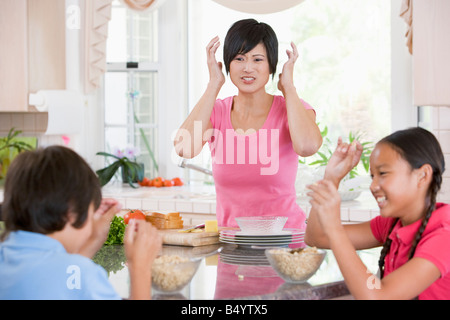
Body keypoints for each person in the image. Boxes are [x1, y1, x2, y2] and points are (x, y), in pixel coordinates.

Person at [174, 19, 322, 229]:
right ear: (228, 63)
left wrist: (288, 87)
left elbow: (308, 146)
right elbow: (183, 148)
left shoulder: (291, 108)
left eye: (257, 59)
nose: (248, 68)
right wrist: (213, 84)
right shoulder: (217, 111)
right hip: (232, 246)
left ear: (271, 64)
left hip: (284, 247)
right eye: (239, 58)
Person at [0, 146, 162, 300]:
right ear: (71, 212)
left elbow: (57, 278)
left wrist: (94, 239)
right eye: (91, 213)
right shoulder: (86, 275)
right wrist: (140, 268)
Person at [305, 127, 449, 299]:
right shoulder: (392, 224)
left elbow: (378, 296)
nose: (373, 186)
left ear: (422, 175)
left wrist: (334, 227)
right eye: (372, 176)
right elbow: (316, 237)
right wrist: (331, 178)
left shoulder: (444, 236)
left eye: (383, 173)